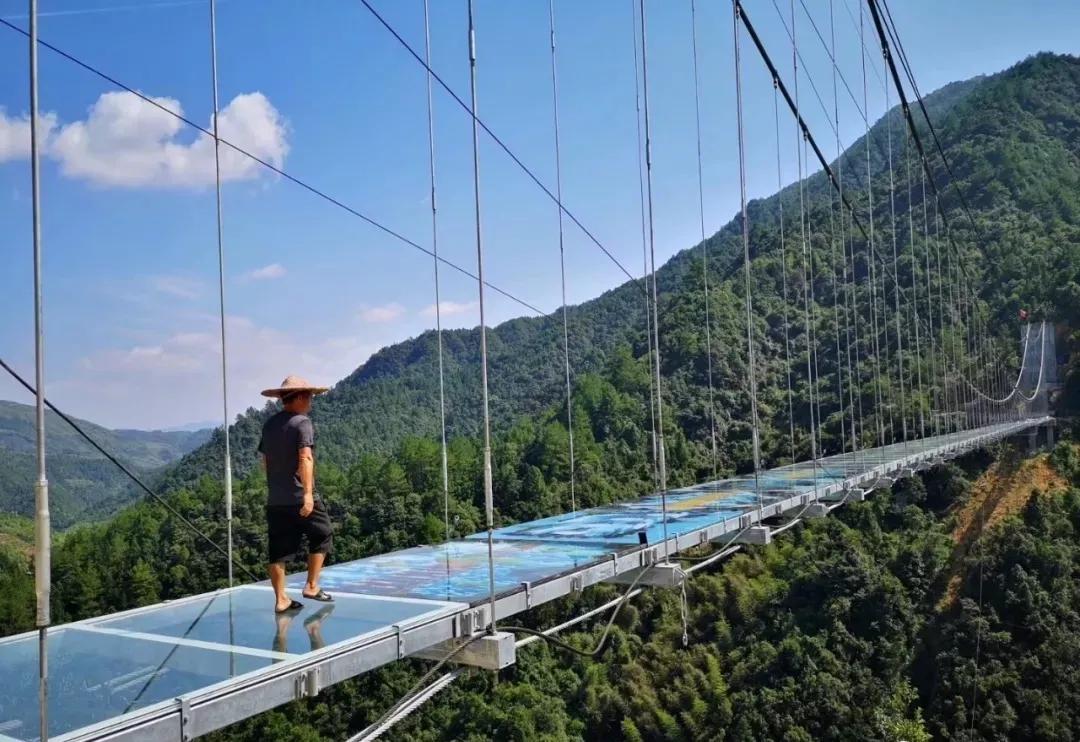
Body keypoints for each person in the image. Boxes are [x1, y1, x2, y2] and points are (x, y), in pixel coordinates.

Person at [258, 375, 334, 613]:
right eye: (309, 396)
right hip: (299, 495)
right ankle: (311, 586)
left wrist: (277, 484)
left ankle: (281, 600)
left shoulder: (270, 425)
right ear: (299, 397)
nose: (311, 401)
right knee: (322, 532)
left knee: (278, 549)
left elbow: (265, 462)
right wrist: (308, 494)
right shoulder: (302, 423)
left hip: (276, 498)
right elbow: (306, 458)